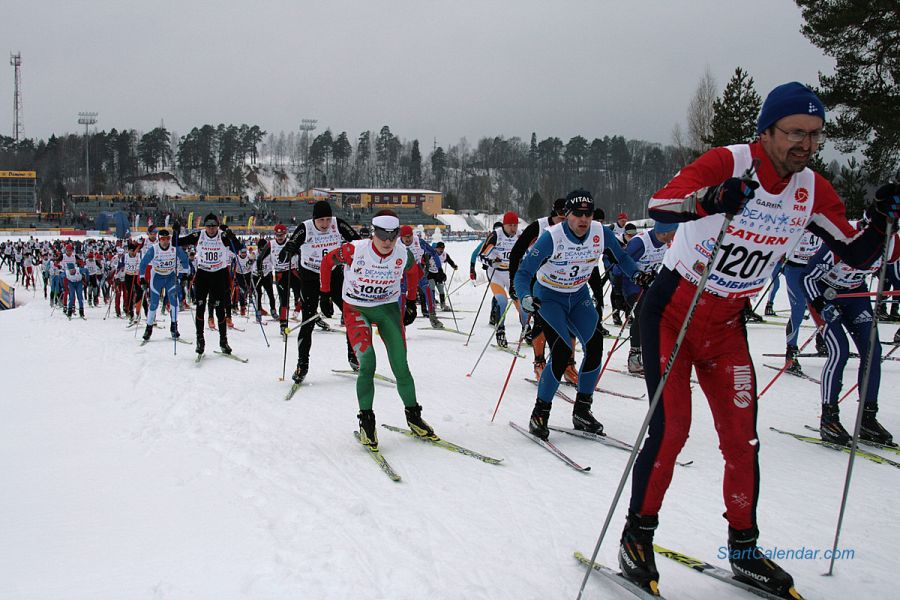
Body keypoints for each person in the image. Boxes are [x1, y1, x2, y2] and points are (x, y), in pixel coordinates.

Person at [616, 82, 900, 598]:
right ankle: (637, 537)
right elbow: (660, 205)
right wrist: (710, 199)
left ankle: (744, 549)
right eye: (795, 132)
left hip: (726, 326)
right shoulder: (730, 161)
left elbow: (857, 254)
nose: (806, 144)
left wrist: (881, 221)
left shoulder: (811, 189)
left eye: (814, 135)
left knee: (742, 439)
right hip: (673, 313)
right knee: (672, 429)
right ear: (766, 131)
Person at [514, 190, 643, 440]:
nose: (583, 219)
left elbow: (622, 257)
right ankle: (540, 413)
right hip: (549, 297)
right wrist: (525, 297)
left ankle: (582, 411)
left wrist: (637, 275)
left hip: (578, 295)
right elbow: (523, 273)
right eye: (577, 214)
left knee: (595, 345)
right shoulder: (552, 237)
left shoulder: (600, 233)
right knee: (562, 351)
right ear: (567, 215)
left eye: (588, 214)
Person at [320, 210, 433, 448]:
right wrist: (325, 293)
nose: (387, 241)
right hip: (356, 308)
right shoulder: (355, 250)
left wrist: (411, 301)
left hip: (387, 309)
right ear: (373, 233)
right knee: (368, 362)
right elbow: (327, 261)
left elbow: (414, 272)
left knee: (401, 365)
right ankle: (366, 421)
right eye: (382, 235)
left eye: (393, 236)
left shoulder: (402, 253)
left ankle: (414, 417)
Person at [803, 245, 895, 446]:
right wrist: (820, 304)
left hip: (855, 297)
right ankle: (829, 419)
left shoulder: (892, 244)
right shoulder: (843, 242)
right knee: (839, 351)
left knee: (873, 351)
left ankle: (867, 419)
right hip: (824, 295)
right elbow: (807, 278)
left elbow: (895, 277)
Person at [277, 200, 361, 383]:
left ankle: (354, 356)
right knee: (308, 320)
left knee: (350, 314)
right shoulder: (305, 228)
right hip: (310, 277)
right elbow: (292, 243)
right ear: (314, 219)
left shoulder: (338, 224)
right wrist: (287, 251)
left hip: (334, 275)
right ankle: (302, 365)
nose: (325, 224)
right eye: (321, 220)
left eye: (328, 219)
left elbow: (357, 241)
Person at [509, 198, 567, 377]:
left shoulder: (571, 228)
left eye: (566, 214)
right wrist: (514, 282)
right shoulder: (539, 226)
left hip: (560, 280)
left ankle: (568, 365)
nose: (563, 218)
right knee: (541, 320)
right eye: (560, 214)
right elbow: (516, 253)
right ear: (554, 211)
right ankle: (539, 362)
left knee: (566, 321)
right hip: (536, 279)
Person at [175, 213, 243, 356]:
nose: (211, 229)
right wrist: (175, 232)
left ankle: (223, 341)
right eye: (208, 226)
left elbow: (237, 248)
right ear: (205, 226)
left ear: (217, 226)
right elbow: (177, 242)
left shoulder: (223, 236)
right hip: (203, 275)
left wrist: (232, 237)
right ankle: (200, 340)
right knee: (200, 308)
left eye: (214, 226)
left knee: (220, 309)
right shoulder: (198, 235)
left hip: (219, 275)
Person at [618, 221, 677, 374]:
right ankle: (634, 358)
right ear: (665, 232)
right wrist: (617, 291)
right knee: (642, 315)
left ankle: (656, 355)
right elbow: (620, 264)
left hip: (649, 282)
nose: (675, 236)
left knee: (661, 316)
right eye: (674, 232)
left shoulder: (667, 242)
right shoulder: (640, 243)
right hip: (632, 284)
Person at [475, 211, 522, 347]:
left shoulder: (520, 235)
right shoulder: (496, 235)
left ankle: (527, 330)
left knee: (521, 303)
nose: (513, 228)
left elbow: (528, 254)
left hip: (511, 274)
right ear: (504, 225)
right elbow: (480, 256)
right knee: (502, 301)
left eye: (515, 225)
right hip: (496, 274)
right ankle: (500, 331)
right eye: (510, 225)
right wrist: (490, 262)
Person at [783, 229, 824, 374]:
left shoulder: (823, 220)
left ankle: (822, 340)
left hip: (815, 268)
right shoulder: (797, 219)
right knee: (798, 310)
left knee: (823, 305)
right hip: (794, 268)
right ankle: (791, 352)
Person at [138, 229, 190, 341]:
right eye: (162, 239)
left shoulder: (174, 248)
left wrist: (185, 275)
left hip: (170, 277)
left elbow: (185, 260)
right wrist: (142, 278)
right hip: (157, 277)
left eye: (167, 239)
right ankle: (149, 328)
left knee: (174, 302)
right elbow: (143, 263)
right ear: (159, 239)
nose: (165, 241)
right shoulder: (154, 249)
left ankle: (174, 327)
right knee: (154, 303)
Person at [428, 241, 457, 311]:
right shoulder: (431, 254)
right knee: (432, 288)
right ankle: (432, 304)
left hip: (439, 273)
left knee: (441, 289)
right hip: (430, 273)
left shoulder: (444, 254)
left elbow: (449, 261)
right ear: (436, 248)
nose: (441, 250)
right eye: (440, 248)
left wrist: (454, 266)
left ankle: (443, 304)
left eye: (443, 248)